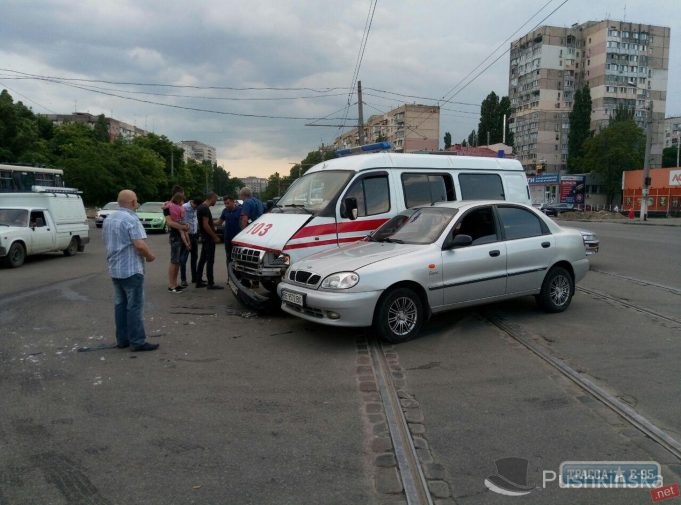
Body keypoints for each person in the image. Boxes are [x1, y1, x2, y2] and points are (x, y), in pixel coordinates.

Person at [102, 189, 158, 352]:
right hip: (131, 269)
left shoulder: (109, 219)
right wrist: (150, 256)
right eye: (137, 201)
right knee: (134, 306)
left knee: (120, 305)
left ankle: (122, 339)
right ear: (133, 203)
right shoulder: (131, 219)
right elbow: (139, 245)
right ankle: (137, 341)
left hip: (114, 268)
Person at [163, 192, 190, 293]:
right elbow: (170, 223)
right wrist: (183, 226)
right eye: (182, 200)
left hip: (179, 236)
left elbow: (179, 221)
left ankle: (175, 283)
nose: (182, 203)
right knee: (174, 261)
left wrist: (184, 226)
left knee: (177, 262)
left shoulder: (174, 207)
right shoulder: (167, 208)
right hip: (175, 236)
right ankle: (171, 285)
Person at [195, 191, 223, 289]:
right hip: (208, 238)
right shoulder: (205, 208)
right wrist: (214, 236)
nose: (215, 202)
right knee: (210, 260)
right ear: (212, 198)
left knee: (203, 259)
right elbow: (205, 225)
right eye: (215, 199)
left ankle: (198, 281)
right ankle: (211, 283)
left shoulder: (201, 207)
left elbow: (206, 223)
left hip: (204, 237)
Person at [180, 197, 203, 287]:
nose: (195, 209)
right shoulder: (184, 207)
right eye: (195, 207)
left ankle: (194, 278)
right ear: (192, 202)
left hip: (194, 235)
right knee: (183, 258)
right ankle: (183, 279)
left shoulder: (196, 208)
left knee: (194, 257)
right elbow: (181, 222)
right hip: (186, 235)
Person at [217, 195, 242, 272]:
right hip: (228, 238)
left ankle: (238, 276)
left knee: (239, 258)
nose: (226, 205)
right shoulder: (225, 211)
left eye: (228, 203)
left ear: (233, 201)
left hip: (238, 238)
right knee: (229, 257)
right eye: (225, 203)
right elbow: (219, 222)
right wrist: (209, 222)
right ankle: (230, 277)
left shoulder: (240, 210)